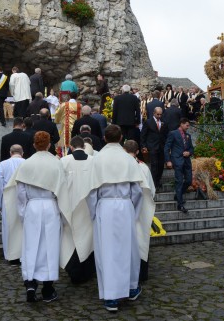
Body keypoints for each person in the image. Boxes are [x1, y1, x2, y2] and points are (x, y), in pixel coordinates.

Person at [81, 125, 154, 312]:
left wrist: (94, 212)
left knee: (106, 250)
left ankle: (111, 297)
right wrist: (134, 212)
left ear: (104, 138)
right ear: (121, 137)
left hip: (104, 206)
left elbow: (91, 192)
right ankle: (131, 288)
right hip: (124, 205)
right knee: (128, 249)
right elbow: (137, 191)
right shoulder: (128, 160)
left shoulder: (97, 159)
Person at [2, 132, 71, 303]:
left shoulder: (27, 164)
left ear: (33, 145)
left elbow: (20, 193)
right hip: (50, 206)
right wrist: (63, 215)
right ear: (49, 145)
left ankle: (30, 283)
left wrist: (24, 213)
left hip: (32, 206)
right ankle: (48, 288)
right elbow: (62, 191)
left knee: (30, 246)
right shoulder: (56, 164)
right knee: (50, 246)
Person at [60, 136, 96, 284]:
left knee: (71, 240)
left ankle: (73, 270)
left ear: (71, 147)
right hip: (89, 207)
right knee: (88, 239)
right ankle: (87, 271)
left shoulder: (64, 161)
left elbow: (60, 185)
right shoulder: (94, 161)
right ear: (84, 145)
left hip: (69, 206)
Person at [123, 140, 155, 282]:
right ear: (137, 152)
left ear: (124, 150)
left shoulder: (121, 166)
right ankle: (142, 274)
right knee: (141, 239)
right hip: (141, 208)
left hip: (124, 207)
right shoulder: (143, 168)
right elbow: (151, 190)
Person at [0, 144, 25, 264]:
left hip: (8, 199)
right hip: (25, 198)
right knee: (23, 227)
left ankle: (12, 256)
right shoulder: (26, 163)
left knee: (9, 227)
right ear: (22, 153)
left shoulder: (3, 164)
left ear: (10, 153)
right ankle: (23, 254)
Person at [164, 118, 194, 213]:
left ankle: (178, 195)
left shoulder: (188, 135)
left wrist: (189, 153)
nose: (188, 127)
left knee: (189, 181)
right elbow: (166, 148)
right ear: (181, 124)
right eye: (187, 125)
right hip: (177, 161)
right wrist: (168, 160)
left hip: (187, 161)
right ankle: (180, 204)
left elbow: (192, 148)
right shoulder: (173, 133)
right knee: (179, 181)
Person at [141, 107, 168, 190]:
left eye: (160, 114)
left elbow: (165, 134)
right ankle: (154, 182)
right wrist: (143, 146)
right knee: (154, 165)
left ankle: (158, 180)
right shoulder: (148, 122)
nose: (159, 116)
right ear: (154, 113)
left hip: (161, 147)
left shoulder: (163, 122)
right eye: (158, 114)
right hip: (152, 146)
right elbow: (143, 134)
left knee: (160, 165)